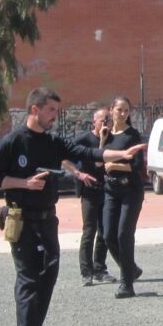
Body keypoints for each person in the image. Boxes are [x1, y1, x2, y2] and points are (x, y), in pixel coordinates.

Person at [0, 87, 145, 326]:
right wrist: (24, 183)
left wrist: (120, 154)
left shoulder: (52, 141)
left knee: (48, 274)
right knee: (28, 277)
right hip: (22, 219)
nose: (54, 116)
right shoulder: (13, 142)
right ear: (35, 109)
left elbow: (86, 152)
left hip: (47, 219)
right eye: (51, 110)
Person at [63, 106, 117, 286]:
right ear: (94, 122)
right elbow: (64, 159)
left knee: (105, 231)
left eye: (108, 120)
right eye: (103, 120)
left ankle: (99, 269)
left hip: (107, 190)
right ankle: (86, 272)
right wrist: (79, 174)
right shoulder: (84, 140)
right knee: (89, 231)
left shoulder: (112, 140)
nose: (106, 123)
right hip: (89, 191)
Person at [101, 96, 146, 299]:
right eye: (119, 109)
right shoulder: (107, 135)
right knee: (108, 235)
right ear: (111, 110)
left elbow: (137, 165)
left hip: (131, 190)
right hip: (111, 190)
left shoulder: (132, 135)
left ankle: (126, 284)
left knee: (124, 234)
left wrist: (114, 164)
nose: (122, 113)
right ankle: (131, 269)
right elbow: (99, 160)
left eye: (126, 110)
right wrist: (102, 140)